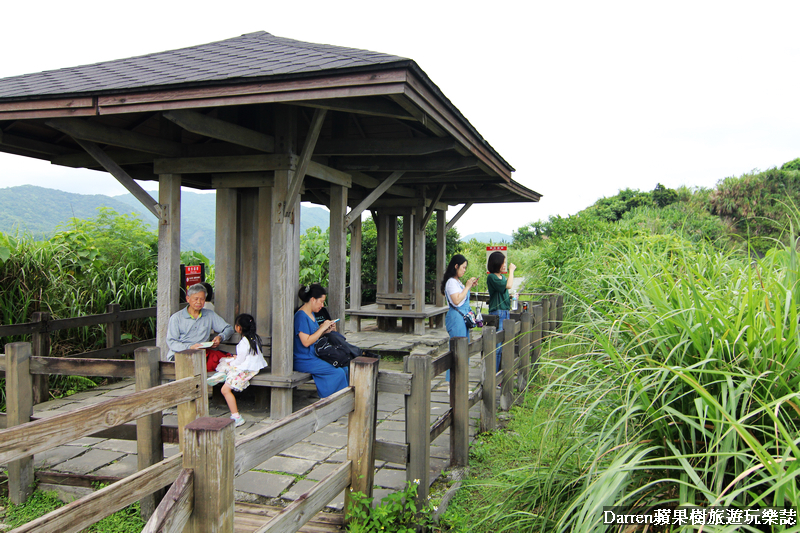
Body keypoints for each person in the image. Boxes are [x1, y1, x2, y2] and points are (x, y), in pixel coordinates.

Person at [207, 314, 268, 427]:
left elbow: (239, 362)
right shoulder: (254, 338)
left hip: (246, 369)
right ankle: (223, 374)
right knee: (227, 362)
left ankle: (236, 416)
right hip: (253, 368)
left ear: (238, 328)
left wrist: (231, 362)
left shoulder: (244, 343)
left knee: (225, 389)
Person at [293, 284, 349, 398]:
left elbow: (313, 335)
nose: (322, 305)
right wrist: (322, 328)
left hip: (315, 355)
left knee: (345, 367)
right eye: (321, 301)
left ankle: (341, 400)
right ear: (313, 300)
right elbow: (306, 342)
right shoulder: (301, 316)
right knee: (337, 372)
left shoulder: (311, 313)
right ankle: (331, 402)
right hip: (304, 358)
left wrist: (326, 331)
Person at [166, 283, 233, 370]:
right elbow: (172, 342)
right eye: (196, 299)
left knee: (227, 362)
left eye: (202, 299)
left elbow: (229, 328)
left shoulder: (209, 315)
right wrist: (189, 347)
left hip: (201, 355)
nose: (199, 302)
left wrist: (220, 337)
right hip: (180, 355)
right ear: (188, 299)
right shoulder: (176, 318)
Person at [441, 254, 478, 385]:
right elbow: (456, 300)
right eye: (463, 267)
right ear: (456, 266)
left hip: (461, 318)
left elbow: (461, 298)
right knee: (457, 351)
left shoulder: (457, 282)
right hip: (456, 319)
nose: (464, 270)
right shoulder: (451, 282)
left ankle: (460, 384)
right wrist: (467, 287)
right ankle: (453, 385)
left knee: (463, 351)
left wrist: (469, 286)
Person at [486, 251, 516, 371]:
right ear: (497, 263)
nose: (504, 265)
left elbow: (505, 288)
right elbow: (508, 285)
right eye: (503, 263)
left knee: (504, 343)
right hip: (497, 312)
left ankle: (500, 372)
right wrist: (512, 271)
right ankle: (493, 374)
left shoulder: (502, 277)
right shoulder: (492, 277)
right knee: (497, 346)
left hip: (505, 311)